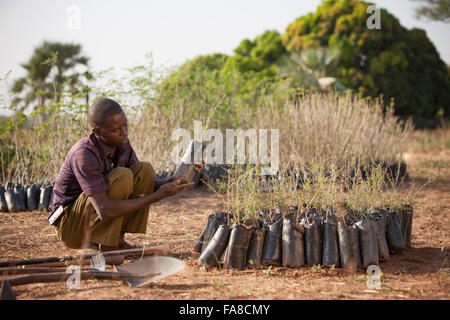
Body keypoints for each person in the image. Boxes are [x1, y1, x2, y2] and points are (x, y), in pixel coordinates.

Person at [50, 98, 200, 251]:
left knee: (145, 170)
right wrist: (157, 196)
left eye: (125, 126)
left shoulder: (121, 144)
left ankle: (116, 240)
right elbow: (104, 209)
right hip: (71, 227)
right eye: (116, 130)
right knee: (123, 176)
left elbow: (143, 184)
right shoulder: (84, 153)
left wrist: (174, 180)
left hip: (96, 213)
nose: (123, 133)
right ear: (97, 132)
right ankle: (102, 244)